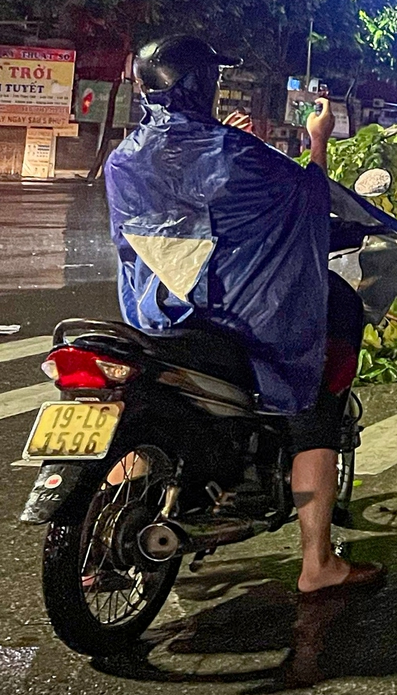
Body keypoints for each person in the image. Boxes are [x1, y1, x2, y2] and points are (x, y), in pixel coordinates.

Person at [102, 35, 382, 597]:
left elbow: (186, 214)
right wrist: (317, 141)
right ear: (201, 86)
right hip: (238, 319)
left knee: (138, 410)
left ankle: (105, 536)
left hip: (156, 318)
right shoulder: (232, 153)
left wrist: (236, 142)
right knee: (313, 409)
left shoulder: (123, 159)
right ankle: (318, 564)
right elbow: (309, 199)